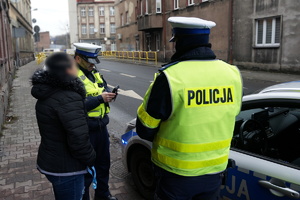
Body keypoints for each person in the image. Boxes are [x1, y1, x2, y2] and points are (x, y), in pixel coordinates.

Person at [136, 17, 243, 200]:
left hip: (175, 175)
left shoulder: (170, 77)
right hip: (214, 172)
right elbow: (232, 114)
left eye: (176, 41)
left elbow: (144, 130)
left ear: (181, 41)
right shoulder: (232, 74)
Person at [31, 52, 96, 200]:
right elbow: (78, 138)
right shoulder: (68, 97)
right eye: (73, 65)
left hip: (52, 162)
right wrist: (91, 158)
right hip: (68, 168)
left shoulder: (46, 91)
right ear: (66, 70)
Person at [73, 43, 118, 200]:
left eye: (94, 60)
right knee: (85, 170)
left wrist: (108, 96)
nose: (92, 64)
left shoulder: (95, 73)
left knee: (103, 165)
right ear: (78, 58)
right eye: (89, 61)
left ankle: (103, 195)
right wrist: (100, 99)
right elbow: (74, 106)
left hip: (101, 128)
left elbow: (102, 89)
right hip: (85, 130)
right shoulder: (71, 77)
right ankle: (84, 197)